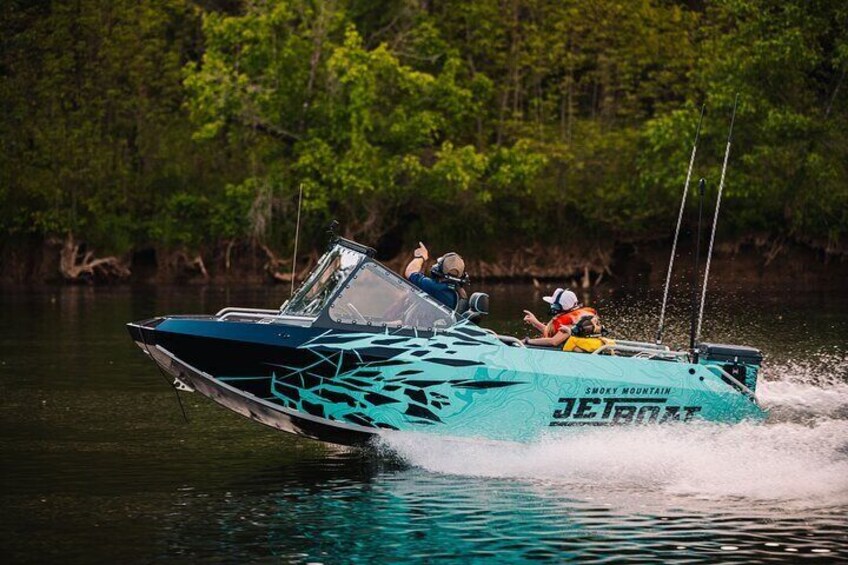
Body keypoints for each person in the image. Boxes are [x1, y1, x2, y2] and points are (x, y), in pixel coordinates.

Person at [522, 288, 598, 347]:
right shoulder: (578, 318)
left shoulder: (571, 322)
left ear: (557, 307)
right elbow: (553, 333)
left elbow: (554, 341)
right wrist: (535, 322)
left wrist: (527, 341)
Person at [404, 242, 468, 311]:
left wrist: (421, 257)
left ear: (439, 268)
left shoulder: (435, 287)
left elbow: (410, 271)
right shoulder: (460, 292)